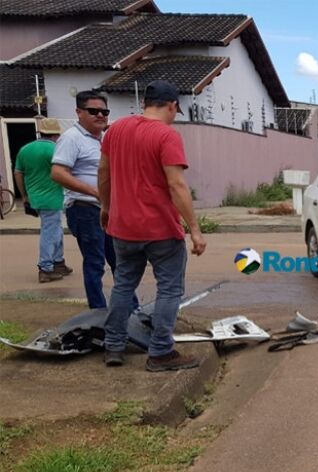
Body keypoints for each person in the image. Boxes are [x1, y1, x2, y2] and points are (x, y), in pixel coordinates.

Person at [99, 80, 206, 372]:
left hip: (122, 228)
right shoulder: (166, 135)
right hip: (160, 230)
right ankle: (160, 353)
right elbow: (176, 184)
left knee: (123, 285)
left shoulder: (116, 130)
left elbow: (103, 172)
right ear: (172, 105)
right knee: (169, 290)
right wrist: (194, 228)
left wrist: (107, 208)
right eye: (176, 110)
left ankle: (114, 346)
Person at [51, 90, 115, 307]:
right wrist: (95, 192)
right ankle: (97, 312)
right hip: (85, 209)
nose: (100, 115)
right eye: (93, 111)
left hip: (107, 209)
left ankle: (129, 308)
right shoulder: (72, 138)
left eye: (104, 111)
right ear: (79, 112)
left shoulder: (104, 138)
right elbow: (58, 173)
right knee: (95, 262)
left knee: (119, 261)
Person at [14, 118, 71, 282]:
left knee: (56, 229)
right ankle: (45, 268)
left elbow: (18, 173)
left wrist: (24, 195)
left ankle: (59, 262)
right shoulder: (55, 149)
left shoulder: (25, 149)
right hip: (52, 197)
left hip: (35, 198)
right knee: (50, 232)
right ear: (56, 134)